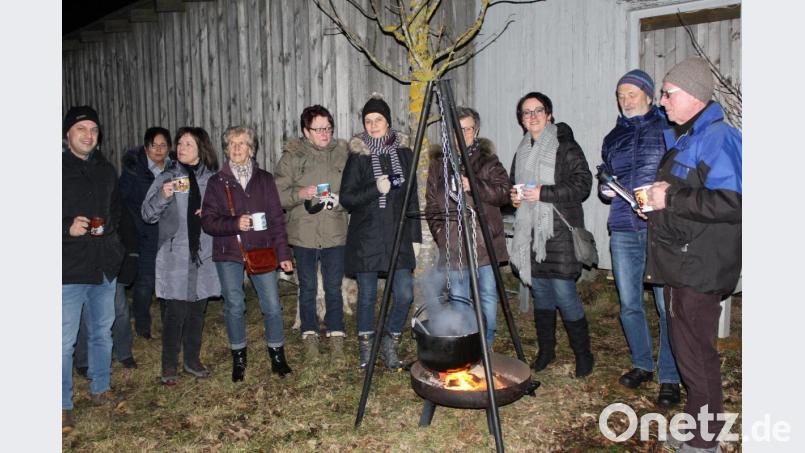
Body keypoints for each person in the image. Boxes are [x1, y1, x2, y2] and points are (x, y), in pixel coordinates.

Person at [644, 57, 741, 453]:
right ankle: (697, 426)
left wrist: (671, 195)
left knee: (697, 355)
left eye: (668, 93)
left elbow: (733, 202)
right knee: (686, 352)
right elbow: (685, 201)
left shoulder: (720, 138)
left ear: (695, 96)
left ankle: (705, 441)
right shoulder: (687, 137)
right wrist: (655, 202)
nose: (662, 101)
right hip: (680, 262)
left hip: (700, 266)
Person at [599, 69, 681, 407]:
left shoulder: (670, 130)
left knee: (667, 306)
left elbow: (685, 175)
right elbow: (607, 180)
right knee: (630, 303)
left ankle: (671, 376)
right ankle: (642, 364)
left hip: (659, 228)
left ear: (649, 95)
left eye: (632, 93)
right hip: (622, 227)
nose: (626, 99)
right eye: (621, 94)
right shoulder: (612, 137)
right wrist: (605, 187)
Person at [508, 92, 594, 378]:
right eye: (526, 112)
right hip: (531, 233)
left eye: (537, 111)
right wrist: (515, 199)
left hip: (560, 232)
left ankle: (584, 355)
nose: (532, 117)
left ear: (549, 114)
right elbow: (514, 188)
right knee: (541, 293)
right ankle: (547, 350)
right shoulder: (521, 150)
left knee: (564, 293)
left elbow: (582, 185)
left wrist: (543, 193)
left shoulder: (565, 145)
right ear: (521, 120)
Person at [201, 125, 294, 381]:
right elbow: (208, 221)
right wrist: (234, 223)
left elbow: (276, 218)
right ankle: (239, 358)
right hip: (228, 250)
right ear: (226, 149)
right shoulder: (216, 182)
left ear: (252, 149)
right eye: (232, 143)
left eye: (242, 143)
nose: (237, 148)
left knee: (273, 305)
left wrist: (284, 254)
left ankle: (277, 355)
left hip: (261, 249)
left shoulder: (264, 179)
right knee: (234, 305)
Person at [340, 94, 422, 370]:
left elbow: (412, 195)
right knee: (366, 295)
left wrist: (416, 236)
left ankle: (389, 339)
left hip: (398, 235)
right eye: (368, 121)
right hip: (367, 236)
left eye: (378, 120)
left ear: (388, 122)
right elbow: (347, 198)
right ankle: (366, 347)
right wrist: (376, 188)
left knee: (404, 294)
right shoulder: (358, 155)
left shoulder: (404, 152)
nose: (373, 126)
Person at [62, 106, 127, 433]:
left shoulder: (106, 169)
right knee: (62, 341)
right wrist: (65, 226)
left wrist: (115, 243)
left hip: (103, 265)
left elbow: (115, 211)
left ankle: (100, 388)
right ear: (67, 135)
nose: (88, 135)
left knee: (102, 332)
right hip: (67, 268)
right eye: (80, 129)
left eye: (93, 130)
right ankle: (61, 405)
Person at [425, 106, 511, 346]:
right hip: (454, 245)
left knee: (486, 297)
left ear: (476, 130)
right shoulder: (438, 165)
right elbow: (431, 205)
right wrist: (441, 235)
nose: (462, 134)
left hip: (484, 242)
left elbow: (504, 193)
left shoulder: (489, 161)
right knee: (459, 299)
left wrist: (474, 185)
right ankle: (466, 349)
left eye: (468, 129)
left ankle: (488, 346)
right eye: (457, 129)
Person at [141, 127, 221, 386]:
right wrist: (164, 195)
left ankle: (192, 360)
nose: (182, 148)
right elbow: (147, 214)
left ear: (201, 148)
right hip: (176, 254)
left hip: (203, 253)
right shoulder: (167, 176)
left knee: (198, 310)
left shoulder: (213, 180)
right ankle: (168, 365)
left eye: (188, 144)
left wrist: (210, 214)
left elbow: (224, 216)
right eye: (180, 144)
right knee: (175, 313)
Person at [274, 106, 349, 360]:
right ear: (306, 131)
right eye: (318, 129)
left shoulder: (343, 154)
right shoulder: (292, 157)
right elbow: (278, 196)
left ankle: (336, 334)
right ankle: (309, 335)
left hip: (335, 232)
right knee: (306, 287)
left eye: (328, 128)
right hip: (303, 234)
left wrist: (342, 201)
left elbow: (355, 191)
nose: (325, 134)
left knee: (333, 287)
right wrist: (301, 194)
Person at [119, 127, 173, 339]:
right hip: (143, 233)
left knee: (168, 280)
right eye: (154, 145)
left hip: (168, 234)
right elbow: (120, 201)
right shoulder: (134, 171)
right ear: (145, 147)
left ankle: (170, 324)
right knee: (146, 281)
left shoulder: (175, 169)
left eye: (163, 146)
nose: (159, 150)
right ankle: (142, 325)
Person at [74, 204, 140, 376]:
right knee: (84, 315)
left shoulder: (110, 194)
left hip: (109, 263)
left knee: (120, 310)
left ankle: (124, 353)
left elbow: (127, 229)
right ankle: (83, 360)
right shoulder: (71, 194)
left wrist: (130, 258)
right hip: (80, 264)